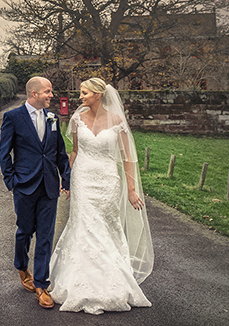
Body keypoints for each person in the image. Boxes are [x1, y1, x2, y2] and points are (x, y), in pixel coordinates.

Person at [47, 77, 153, 314]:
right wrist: (67, 179)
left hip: (107, 181)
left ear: (98, 94)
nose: (80, 97)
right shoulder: (76, 119)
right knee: (85, 226)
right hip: (82, 178)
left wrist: (132, 190)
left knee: (105, 228)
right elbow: (74, 151)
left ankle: (110, 283)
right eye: (81, 93)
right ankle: (80, 283)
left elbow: (127, 158)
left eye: (84, 93)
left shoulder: (117, 121)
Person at [0, 76, 72, 309]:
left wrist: (66, 179)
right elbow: (4, 153)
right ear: (34, 94)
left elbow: (60, 151)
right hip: (24, 185)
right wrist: (12, 181)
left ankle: (41, 284)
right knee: (25, 231)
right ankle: (21, 266)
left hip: (49, 185)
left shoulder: (53, 118)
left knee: (46, 236)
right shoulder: (13, 118)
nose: (51, 95)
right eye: (48, 92)